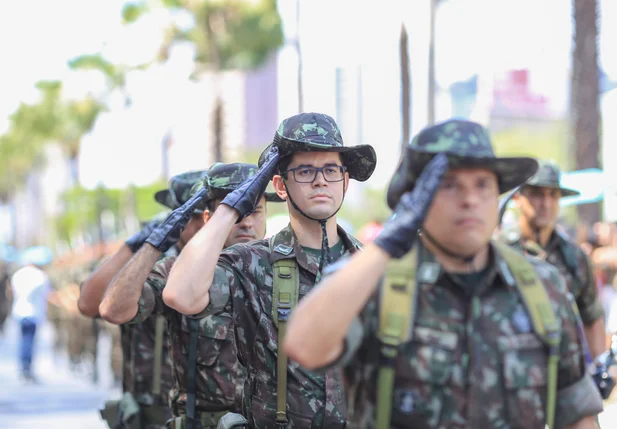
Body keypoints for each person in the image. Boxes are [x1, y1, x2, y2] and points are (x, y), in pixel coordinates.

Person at [285, 119, 603, 429]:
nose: (469, 200)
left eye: (482, 185)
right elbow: (304, 345)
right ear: (418, 198)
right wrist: (388, 243)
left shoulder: (542, 287)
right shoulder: (376, 284)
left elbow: (576, 414)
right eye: (449, 185)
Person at [163, 112, 376, 428]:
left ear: (345, 180)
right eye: (305, 170)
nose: (320, 180)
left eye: (331, 169)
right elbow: (181, 294)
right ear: (279, 184)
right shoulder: (250, 263)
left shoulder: (370, 266)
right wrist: (233, 206)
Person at [99, 162, 282, 429]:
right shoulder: (178, 273)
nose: (247, 223)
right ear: (210, 219)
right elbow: (113, 310)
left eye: (255, 212)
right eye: (235, 213)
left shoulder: (283, 272)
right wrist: (155, 242)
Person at [81, 171, 207, 429]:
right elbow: (88, 303)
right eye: (192, 216)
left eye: (209, 214)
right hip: (151, 412)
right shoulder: (146, 268)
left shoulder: (234, 264)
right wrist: (136, 245)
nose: (203, 225)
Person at [501, 160, 606, 358]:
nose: (546, 203)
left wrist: (602, 369)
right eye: (537, 194)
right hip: (512, 367)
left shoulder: (574, 258)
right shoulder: (500, 251)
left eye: (553, 195)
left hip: (563, 368)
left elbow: (592, 316)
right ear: (518, 197)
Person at [11, 246, 53, 382]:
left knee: (24, 340)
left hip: (21, 312)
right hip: (32, 313)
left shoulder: (18, 274)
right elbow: (47, 293)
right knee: (28, 341)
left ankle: (24, 366)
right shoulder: (40, 276)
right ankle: (26, 367)